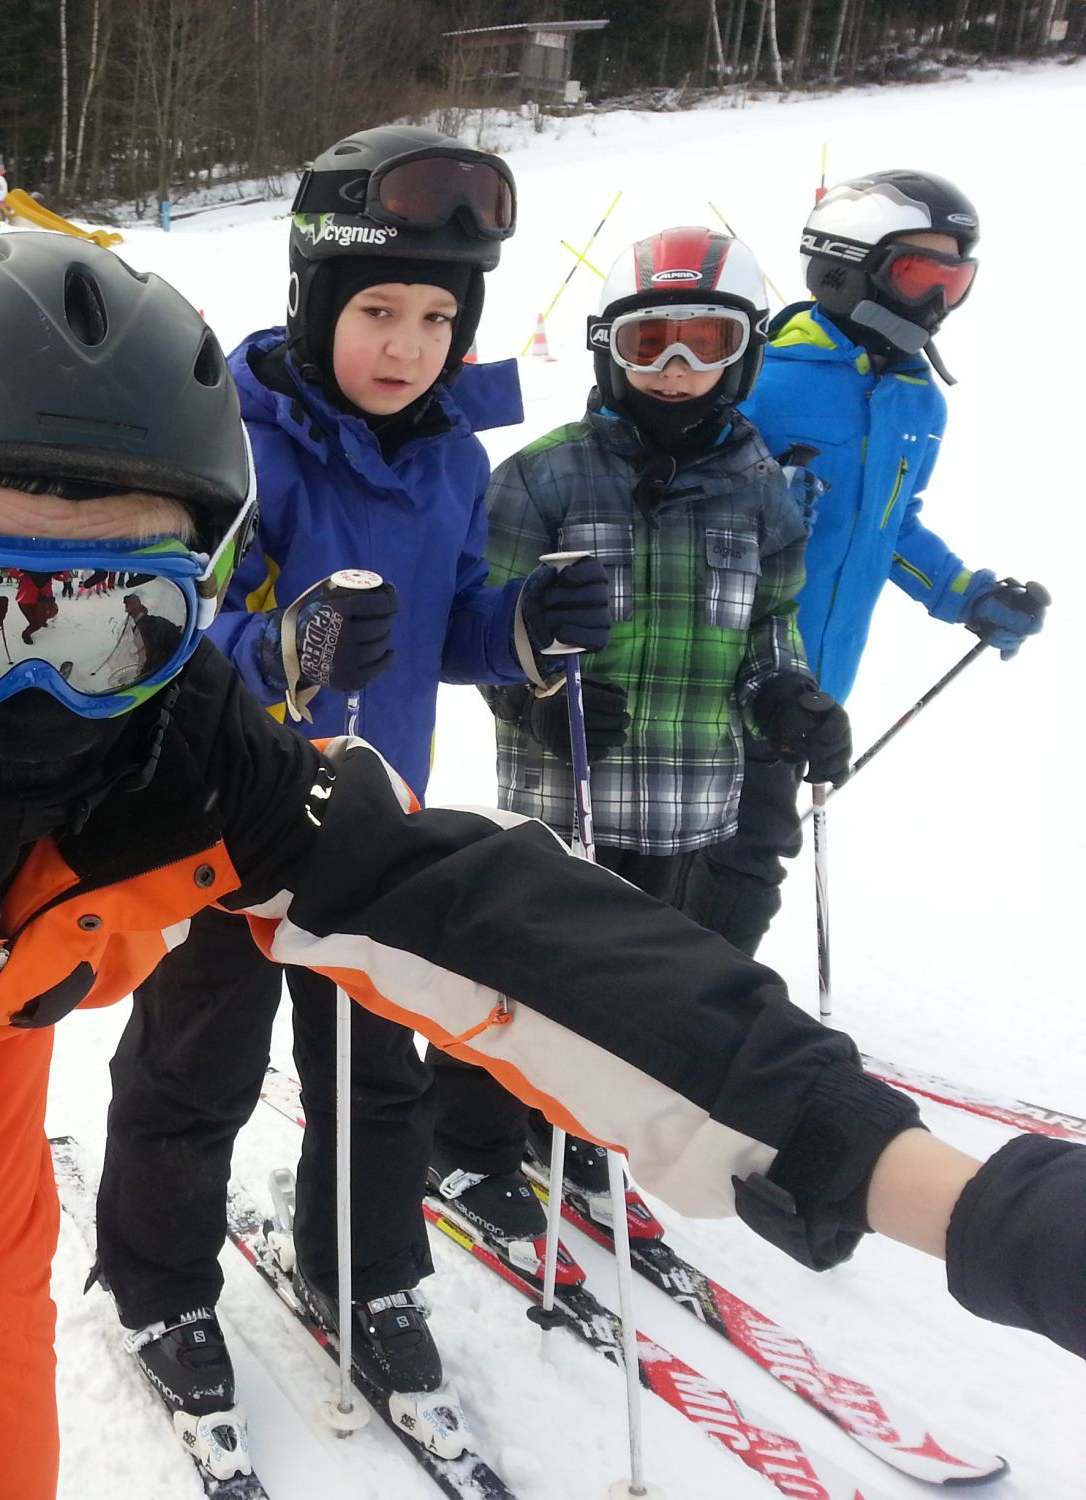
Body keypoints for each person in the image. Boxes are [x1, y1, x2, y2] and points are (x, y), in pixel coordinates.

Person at [0, 234, 1085, 1500]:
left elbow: (487, 914)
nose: (41, 692)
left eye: (118, 613)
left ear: (200, 602)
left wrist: (929, 1182)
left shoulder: (189, 745)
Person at [93, 124, 614, 1466]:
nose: (408, 347)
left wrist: (523, 626)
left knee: (375, 1072)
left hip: (376, 818)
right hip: (223, 814)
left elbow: (441, 627)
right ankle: (159, 1286)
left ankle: (366, 1270)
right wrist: (275, 648)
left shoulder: (451, 461)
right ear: (314, 300)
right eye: (377, 310)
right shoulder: (228, 441)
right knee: (197, 1064)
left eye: (439, 319)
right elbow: (152, 629)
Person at [429, 227, 853, 1237]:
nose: (673, 368)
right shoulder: (543, 477)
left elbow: (769, 626)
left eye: (705, 343)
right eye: (647, 341)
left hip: (682, 802)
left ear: (743, 355)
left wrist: (787, 697)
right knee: (514, 972)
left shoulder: (763, 493)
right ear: (606, 348)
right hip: (559, 793)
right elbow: (485, 621)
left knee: (627, 994)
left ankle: (572, 1128)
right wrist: (532, 697)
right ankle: (467, 1140)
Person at [681, 171, 1050, 954]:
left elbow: (888, 527)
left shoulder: (919, 399)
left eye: (957, 279)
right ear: (844, 269)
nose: (938, 300)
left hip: (813, 684)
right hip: (716, 669)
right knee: (717, 852)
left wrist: (968, 595)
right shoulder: (762, 378)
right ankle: (674, 998)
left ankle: (690, 994)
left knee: (748, 854)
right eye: (919, 273)